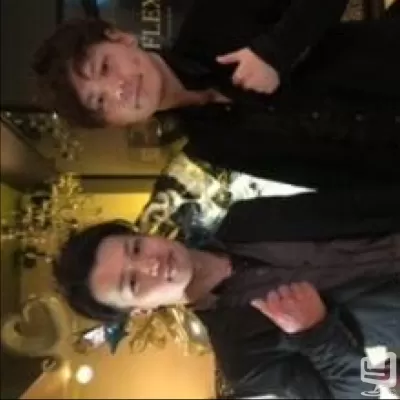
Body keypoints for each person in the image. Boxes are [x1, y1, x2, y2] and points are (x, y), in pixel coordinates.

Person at [55, 186, 400, 399]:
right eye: (132, 283)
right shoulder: (244, 358)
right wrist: (317, 333)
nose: (150, 264)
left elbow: (354, 203)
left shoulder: (246, 218)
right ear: (140, 310)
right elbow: (362, 393)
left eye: (135, 248)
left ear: (144, 234)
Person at [32, 0, 400, 189]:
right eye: (100, 102)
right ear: (112, 123)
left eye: (105, 67)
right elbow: (328, 175)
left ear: (121, 38)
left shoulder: (213, 20)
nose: (119, 89)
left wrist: (277, 50)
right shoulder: (209, 145)